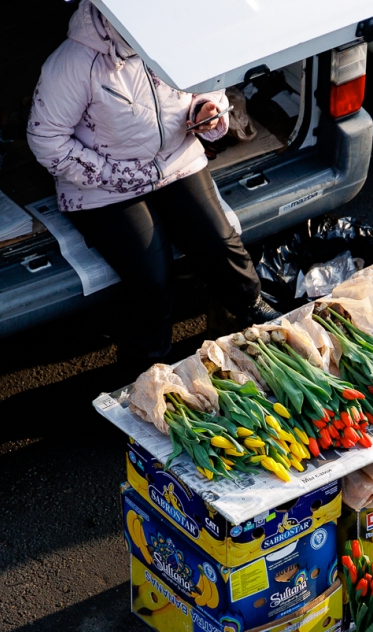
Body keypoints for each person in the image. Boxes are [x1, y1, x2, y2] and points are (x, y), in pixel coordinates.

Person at [27, 0, 280, 375]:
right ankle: (147, 368)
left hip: (176, 160)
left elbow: (210, 86)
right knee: (150, 273)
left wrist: (207, 111)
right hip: (105, 185)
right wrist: (112, 175)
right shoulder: (73, 63)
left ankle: (250, 305)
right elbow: (45, 139)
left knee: (218, 241)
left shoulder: (177, 31)